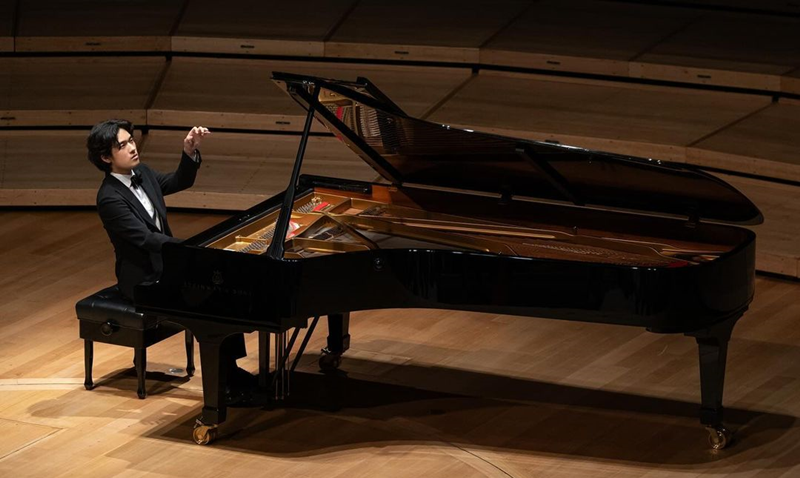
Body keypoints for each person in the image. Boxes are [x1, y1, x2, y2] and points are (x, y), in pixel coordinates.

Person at [86, 119, 255, 400]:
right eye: (122, 145)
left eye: (131, 140)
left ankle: (229, 370)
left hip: (168, 267)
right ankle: (222, 382)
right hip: (144, 279)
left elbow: (180, 180)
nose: (132, 147)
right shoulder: (109, 198)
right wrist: (191, 249)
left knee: (225, 288)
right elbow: (147, 239)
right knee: (213, 298)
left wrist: (189, 151)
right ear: (106, 157)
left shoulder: (142, 172)